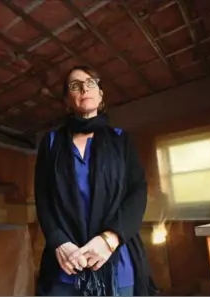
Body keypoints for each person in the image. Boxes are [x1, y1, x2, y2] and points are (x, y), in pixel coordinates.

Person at [34, 65, 158, 296]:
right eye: (75, 85)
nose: (84, 88)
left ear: (100, 95)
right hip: (65, 262)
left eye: (91, 83)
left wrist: (109, 239)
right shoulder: (51, 142)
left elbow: (137, 192)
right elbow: (43, 198)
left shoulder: (121, 140)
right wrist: (59, 242)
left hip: (116, 259)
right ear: (67, 101)